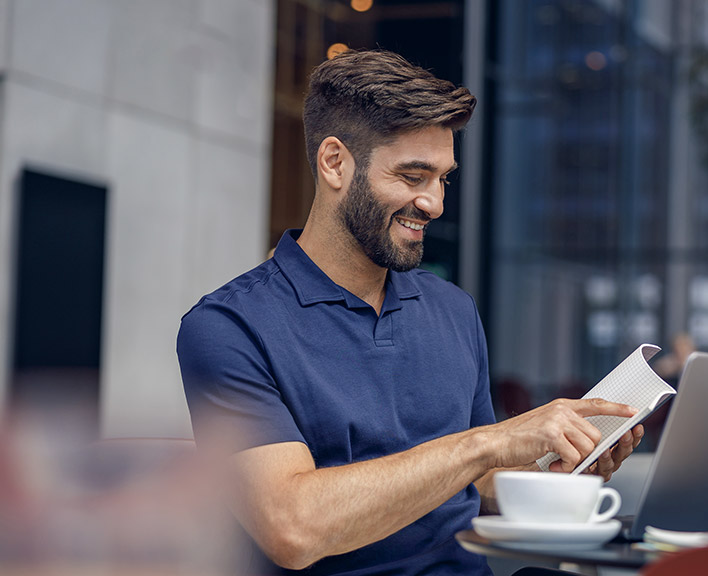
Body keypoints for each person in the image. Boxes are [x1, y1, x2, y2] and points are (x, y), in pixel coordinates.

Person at [176, 49, 644, 576]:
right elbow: (293, 528)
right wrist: (486, 443)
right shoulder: (227, 328)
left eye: (443, 178)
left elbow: (478, 488)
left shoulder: (452, 309)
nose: (435, 203)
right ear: (335, 162)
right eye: (413, 176)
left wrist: (565, 473)